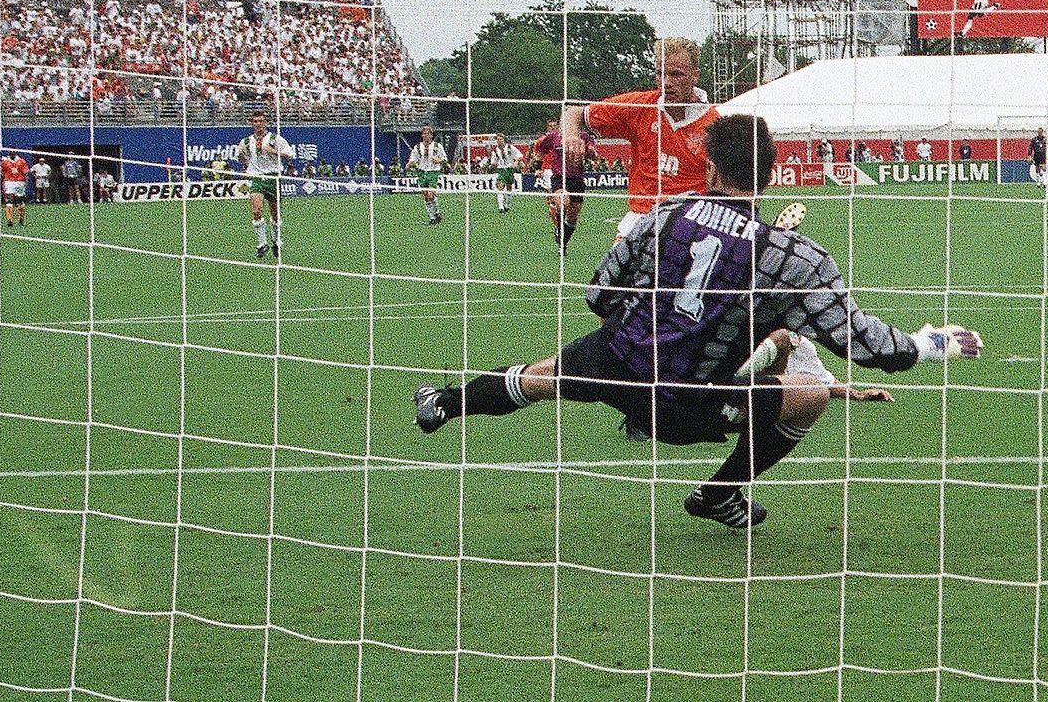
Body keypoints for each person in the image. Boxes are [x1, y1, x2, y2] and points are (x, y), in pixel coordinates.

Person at [411, 114, 983, 528]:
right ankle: (720, 493)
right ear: (771, 173)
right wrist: (932, 342)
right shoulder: (791, 257)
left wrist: (647, 319)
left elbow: (599, 294)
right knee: (809, 396)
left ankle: (443, 401)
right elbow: (870, 346)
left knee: (542, 377)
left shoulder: (665, 215)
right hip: (685, 400)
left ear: (709, 166)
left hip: (618, 360)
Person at [559, 37, 717, 243]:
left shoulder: (715, 125)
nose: (666, 83)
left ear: (695, 75)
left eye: (676, 74)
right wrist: (571, 135)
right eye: (660, 74)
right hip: (641, 218)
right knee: (612, 264)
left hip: (690, 224)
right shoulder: (640, 106)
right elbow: (573, 113)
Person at [236, 110, 293, 258]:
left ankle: (276, 241)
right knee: (256, 210)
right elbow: (242, 160)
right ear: (252, 123)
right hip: (256, 178)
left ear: (265, 123)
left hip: (273, 177)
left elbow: (289, 155)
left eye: (260, 121)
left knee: (275, 214)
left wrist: (273, 151)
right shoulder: (246, 141)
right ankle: (262, 244)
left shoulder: (275, 138)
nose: (258, 124)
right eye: (255, 121)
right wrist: (241, 155)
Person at [534, 116, 593, 252]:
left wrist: (591, 153)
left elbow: (592, 154)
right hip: (559, 177)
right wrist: (538, 167)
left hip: (577, 180)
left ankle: (563, 242)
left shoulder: (583, 137)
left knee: (572, 218)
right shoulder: (553, 137)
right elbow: (540, 151)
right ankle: (559, 227)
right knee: (563, 202)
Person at [407, 125, 447, 225]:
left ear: (431, 135)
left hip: (433, 172)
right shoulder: (417, 147)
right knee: (425, 195)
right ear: (422, 135)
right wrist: (409, 164)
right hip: (421, 172)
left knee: (431, 194)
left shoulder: (437, 146)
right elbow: (413, 158)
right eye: (424, 134)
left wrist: (438, 160)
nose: (426, 135)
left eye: (428, 133)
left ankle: (437, 212)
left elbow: (444, 159)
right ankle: (432, 217)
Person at [486, 133, 523, 214]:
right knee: (500, 186)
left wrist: (516, 161)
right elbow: (493, 161)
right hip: (501, 170)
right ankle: (501, 207)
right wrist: (492, 165)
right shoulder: (495, 151)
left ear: (504, 140)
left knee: (509, 187)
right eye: (498, 139)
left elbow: (520, 155)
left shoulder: (510, 147)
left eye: (501, 139)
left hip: (510, 169)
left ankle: (507, 204)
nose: (499, 141)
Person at [0, 151, 29, 227]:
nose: (12, 154)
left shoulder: (21, 161)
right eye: (11, 153)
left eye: (13, 153)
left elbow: (26, 173)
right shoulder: (5, 162)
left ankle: (20, 218)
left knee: (18, 201)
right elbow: (2, 174)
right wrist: (2, 182)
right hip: (10, 182)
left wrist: (26, 183)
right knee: (10, 200)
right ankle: (10, 219)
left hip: (19, 182)